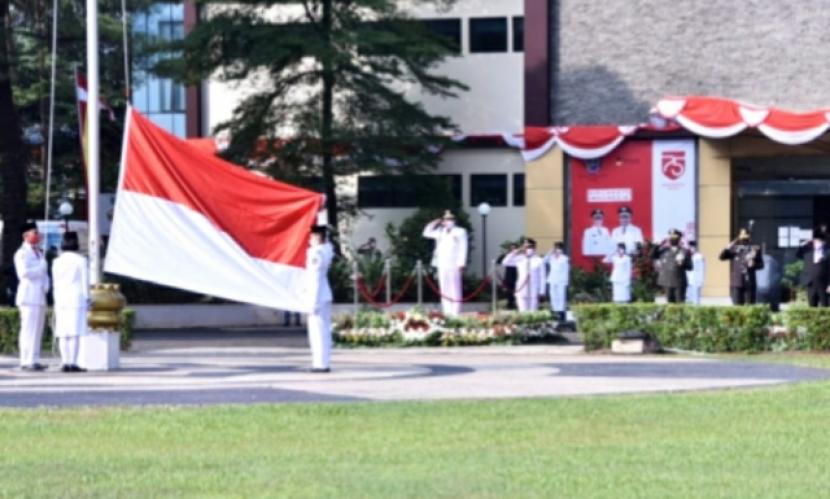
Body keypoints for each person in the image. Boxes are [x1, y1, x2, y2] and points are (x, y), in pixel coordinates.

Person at [14, 222, 50, 371]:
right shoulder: (22, 253)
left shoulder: (39, 252)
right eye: (34, 232)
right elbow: (24, 273)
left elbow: (44, 273)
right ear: (26, 235)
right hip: (28, 296)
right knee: (28, 329)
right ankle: (25, 360)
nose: (38, 235)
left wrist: (46, 283)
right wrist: (40, 268)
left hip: (39, 295)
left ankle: (34, 359)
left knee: (37, 329)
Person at [51, 232, 88, 372]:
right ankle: (73, 362)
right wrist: (88, 299)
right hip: (76, 298)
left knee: (63, 332)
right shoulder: (81, 260)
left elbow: (55, 282)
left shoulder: (57, 261)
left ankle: (65, 362)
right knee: (75, 332)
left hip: (61, 298)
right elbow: (85, 282)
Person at [422, 210, 468, 316]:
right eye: (446, 220)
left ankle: (455, 311)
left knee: (454, 288)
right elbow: (426, 233)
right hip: (442, 263)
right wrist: (435, 222)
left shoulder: (460, 231)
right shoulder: (440, 231)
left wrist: (461, 263)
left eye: (450, 220)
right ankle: (447, 311)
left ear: (454, 221)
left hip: (454, 263)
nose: (448, 221)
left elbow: (463, 247)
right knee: (444, 288)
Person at [302, 226, 334, 373]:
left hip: (317, 297)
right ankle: (323, 362)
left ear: (317, 237)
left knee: (317, 332)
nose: (309, 240)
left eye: (311, 237)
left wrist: (312, 302)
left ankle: (320, 364)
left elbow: (315, 278)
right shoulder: (326, 250)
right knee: (323, 331)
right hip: (323, 295)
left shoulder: (316, 253)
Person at [719, 228, 764, 305]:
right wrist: (731, 244)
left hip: (750, 282)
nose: (744, 240)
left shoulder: (754, 249)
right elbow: (721, 257)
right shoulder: (734, 249)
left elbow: (761, 265)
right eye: (742, 238)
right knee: (737, 306)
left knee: (750, 306)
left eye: (746, 238)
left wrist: (754, 264)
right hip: (737, 282)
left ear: (749, 238)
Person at [501, 238, 546, 312]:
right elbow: (505, 262)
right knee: (522, 312)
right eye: (525, 246)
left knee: (533, 313)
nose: (527, 249)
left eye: (529, 247)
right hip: (521, 289)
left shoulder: (539, 260)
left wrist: (542, 292)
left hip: (534, 290)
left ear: (534, 248)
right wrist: (515, 252)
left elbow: (542, 277)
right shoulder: (520, 259)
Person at [651, 229, 692, 303]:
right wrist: (658, 244)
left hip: (679, 283)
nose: (672, 240)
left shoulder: (684, 251)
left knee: (679, 305)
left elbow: (690, 267)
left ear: (679, 239)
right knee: (669, 305)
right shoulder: (664, 250)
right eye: (671, 238)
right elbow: (653, 255)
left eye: (675, 238)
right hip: (667, 281)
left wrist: (682, 263)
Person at [799, 231, 830, 307]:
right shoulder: (807, 252)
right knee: (812, 305)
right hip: (810, 282)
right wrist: (805, 243)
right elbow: (798, 254)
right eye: (817, 241)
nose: (819, 243)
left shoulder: (828, 252)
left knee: (824, 305)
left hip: (823, 284)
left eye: (821, 242)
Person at [544, 242, 570, 321]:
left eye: (559, 248)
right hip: (552, 279)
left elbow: (566, 271)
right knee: (553, 295)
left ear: (561, 249)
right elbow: (544, 261)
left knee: (561, 296)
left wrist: (566, 281)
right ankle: (554, 310)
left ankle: (561, 312)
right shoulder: (551, 257)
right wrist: (549, 253)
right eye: (556, 248)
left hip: (561, 280)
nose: (557, 250)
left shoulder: (564, 258)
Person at [496, 243, 519, 310]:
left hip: (515, 274)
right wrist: (505, 254)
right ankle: (510, 303)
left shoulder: (518, 256)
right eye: (512, 248)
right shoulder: (507, 256)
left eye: (514, 248)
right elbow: (499, 261)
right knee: (508, 291)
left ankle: (514, 303)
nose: (513, 250)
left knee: (515, 291)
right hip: (508, 275)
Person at [685, 241, 706, 305]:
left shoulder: (699, 257)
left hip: (696, 280)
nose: (691, 248)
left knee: (695, 299)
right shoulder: (686, 256)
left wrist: (701, 281)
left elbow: (702, 270)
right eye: (690, 247)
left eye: (693, 247)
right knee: (687, 299)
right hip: (687, 280)